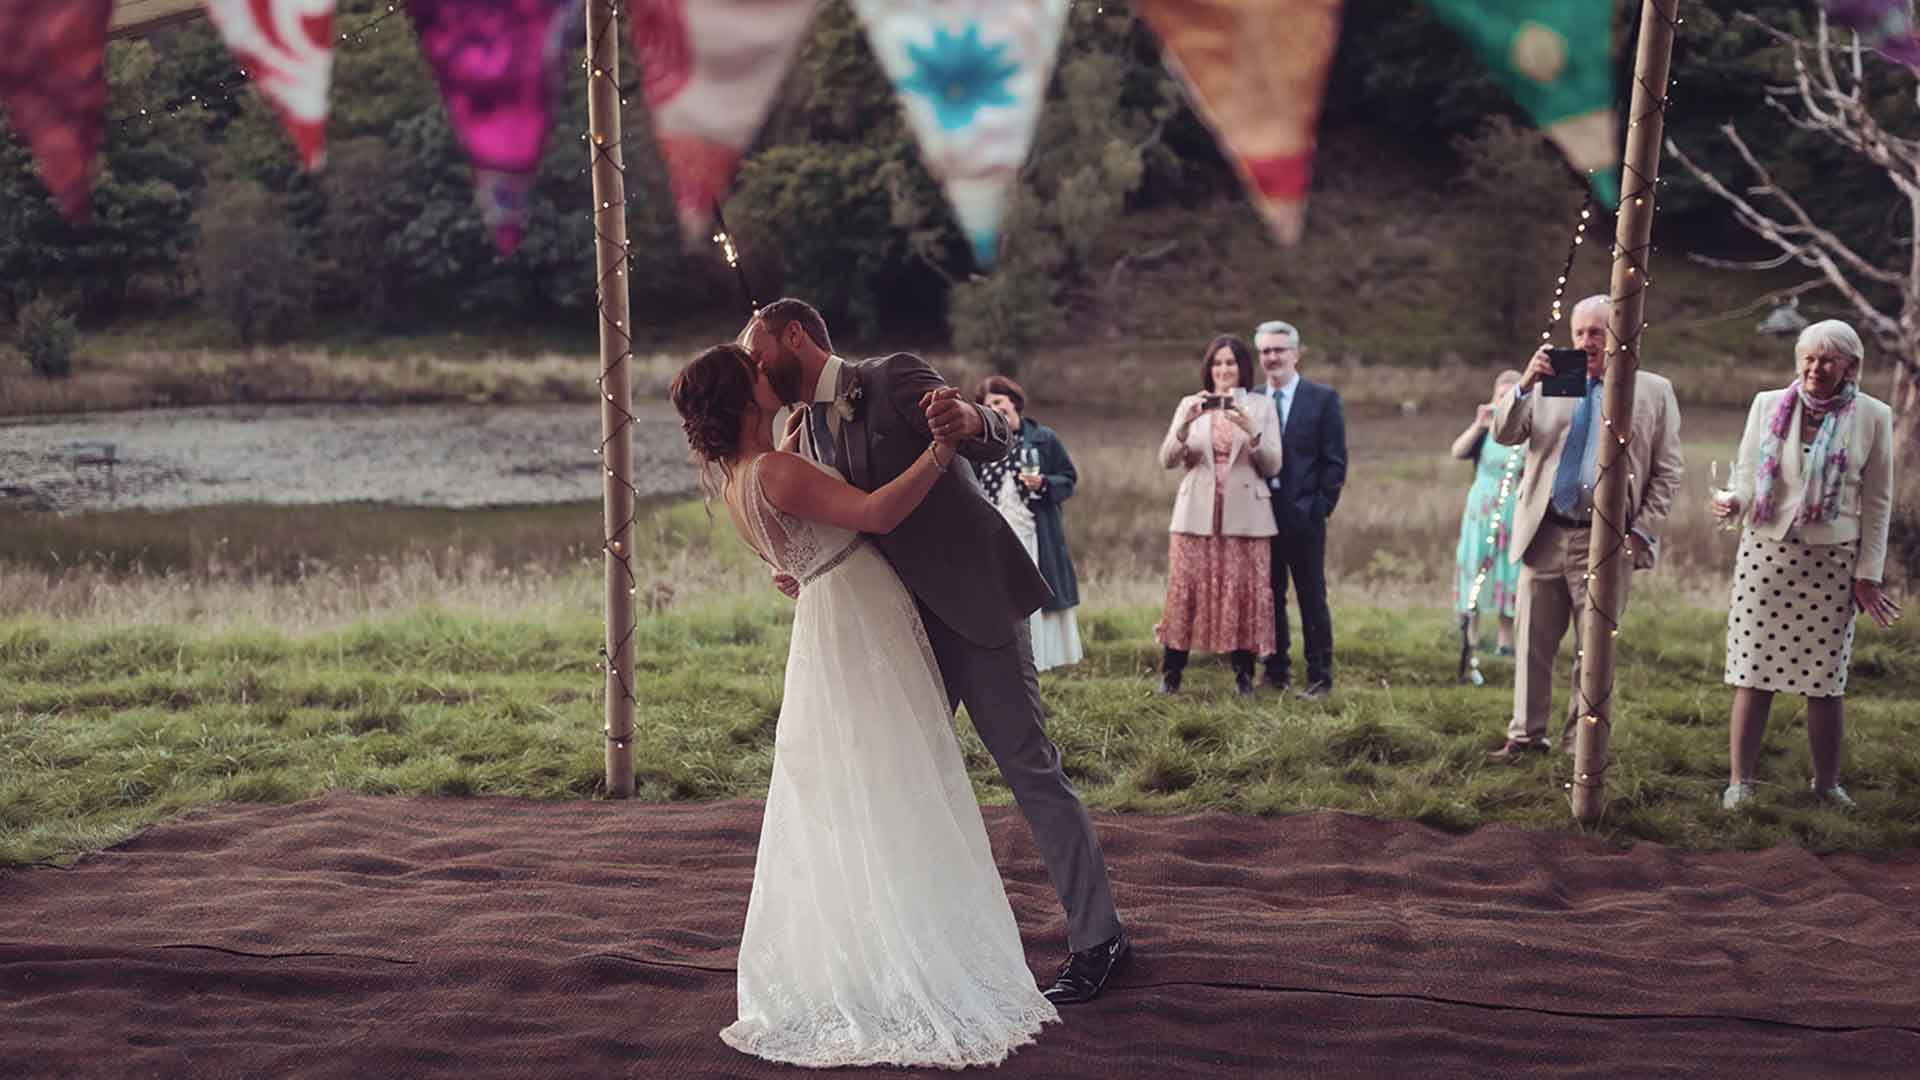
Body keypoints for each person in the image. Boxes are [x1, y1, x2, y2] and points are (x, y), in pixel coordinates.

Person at [670, 343, 1058, 1068]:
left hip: (830, 617)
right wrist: (940, 452)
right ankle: (909, 955)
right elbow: (876, 513)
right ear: (746, 395)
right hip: (859, 615)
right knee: (902, 776)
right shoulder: (779, 468)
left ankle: (876, 942)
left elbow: (795, 541)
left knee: (865, 783)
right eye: (754, 370)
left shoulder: (743, 476)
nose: (767, 370)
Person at [743, 299, 1129, 1007]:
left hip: (976, 607)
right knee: (895, 780)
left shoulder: (890, 375)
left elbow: (994, 436)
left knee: (1030, 769)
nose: (752, 362)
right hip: (896, 630)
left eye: (756, 347)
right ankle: (911, 947)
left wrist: (975, 419)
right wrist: (802, 564)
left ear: (794, 334)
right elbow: (842, 523)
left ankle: (1100, 938)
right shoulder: (801, 431)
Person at [1711, 320, 1901, 810]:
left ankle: (1826, 785)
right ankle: (1740, 783)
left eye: (1828, 360)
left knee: (1824, 680)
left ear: (1850, 367)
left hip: (1833, 562)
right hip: (1765, 554)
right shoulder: (1768, 404)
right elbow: (1748, 473)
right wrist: (1735, 500)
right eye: (1809, 359)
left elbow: (1879, 502)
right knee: (1752, 673)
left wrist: (1868, 574)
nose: (1816, 369)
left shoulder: (1874, 416)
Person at [1487, 294, 1685, 760]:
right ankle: (1526, 736)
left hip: (1605, 538)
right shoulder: (1557, 379)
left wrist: (1641, 532)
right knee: (1532, 640)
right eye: (1579, 333)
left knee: (1592, 650)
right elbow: (1505, 434)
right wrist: (1525, 384)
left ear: (1621, 332)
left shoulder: (1651, 390)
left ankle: (1582, 744)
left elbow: (1669, 471)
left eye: (1596, 332)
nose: (1586, 342)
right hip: (1545, 531)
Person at [1154, 334, 1285, 696]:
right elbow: (1166, 460)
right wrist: (1183, 425)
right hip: (1196, 515)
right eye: (1217, 363)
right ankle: (1171, 675)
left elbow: (1274, 465)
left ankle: (1244, 678)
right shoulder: (1190, 404)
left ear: (1243, 368)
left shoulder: (1261, 406)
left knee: (1242, 594)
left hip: (1247, 517)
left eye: (1230, 363)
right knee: (1185, 592)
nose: (1224, 370)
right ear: (1208, 368)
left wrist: (1251, 429)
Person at [1247, 320, 1347, 699]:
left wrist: (1319, 507)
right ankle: (1275, 671)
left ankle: (1320, 677)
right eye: (1266, 351)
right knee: (1268, 596)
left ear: (1296, 353)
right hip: (1260, 516)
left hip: (1304, 516)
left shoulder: (1322, 399)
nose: (1273, 358)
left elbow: (1335, 461)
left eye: (1279, 350)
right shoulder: (1252, 399)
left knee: (1311, 596)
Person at [974, 374, 1084, 671]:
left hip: (1035, 534)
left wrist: (1045, 483)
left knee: (1037, 593)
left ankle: (1041, 661)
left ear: (1014, 402)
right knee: (1001, 598)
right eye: (988, 405)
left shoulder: (1044, 439)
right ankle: (1006, 661)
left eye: (999, 401)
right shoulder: (981, 445)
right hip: (995, 534)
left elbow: (1069, 478)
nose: (995, 408)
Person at [1451, 369, 1526, 657]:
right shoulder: (1485, 432)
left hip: (1512, 509)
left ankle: (1505, 641)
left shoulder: (1525, 429)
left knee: (1509, 569)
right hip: (1480, 510)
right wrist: (1479, 424)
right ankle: (1470, 637)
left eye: (1510, 396)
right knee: (1474, 563)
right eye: (1500, 395)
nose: (1504, 401)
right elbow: (1457, 452)